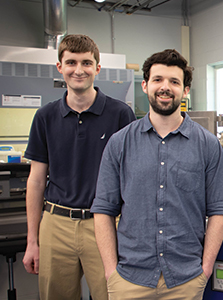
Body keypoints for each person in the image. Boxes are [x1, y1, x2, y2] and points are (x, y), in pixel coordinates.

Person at [91, 49, 223, 299]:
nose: (165, 87)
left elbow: (218, 211)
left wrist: (205, 270)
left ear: (185, 90)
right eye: (157, 80)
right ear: (145, 85)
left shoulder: (207, 145)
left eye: (174, 82)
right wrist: (111, 271)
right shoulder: (119, 143)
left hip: (186, 280)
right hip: (129, 279)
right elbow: (103, 210)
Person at [22, 34, 136, 299]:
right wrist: (32, 241)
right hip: (55, 224)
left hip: (105, 224)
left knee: (112, 294)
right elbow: (36, 181)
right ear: (60, 67)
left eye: (86, 62)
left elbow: (132, 179)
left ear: (97, 68)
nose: (79, 69)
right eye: (71, 62)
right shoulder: (45, 117)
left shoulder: (120, 115)